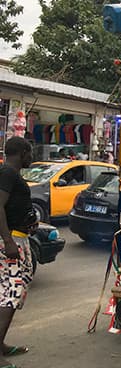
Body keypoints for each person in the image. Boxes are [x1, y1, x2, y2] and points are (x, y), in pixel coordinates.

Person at [0, 137, 37, 368]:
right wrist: (7, 240)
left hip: (19, 238)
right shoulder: (7, 173)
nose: (32, 157)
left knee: (14, 292)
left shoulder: (10, 174)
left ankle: (0, 344)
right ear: (23, 152)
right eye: (30, 152)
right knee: (10, 294)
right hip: (10, 240)